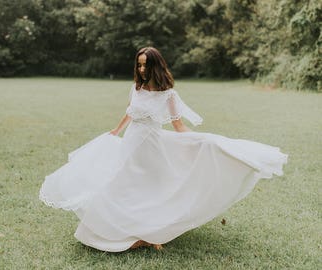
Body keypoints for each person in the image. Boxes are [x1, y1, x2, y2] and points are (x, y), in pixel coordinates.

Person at [39, 47, 287, 252]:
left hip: (153, 147)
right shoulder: (135, 88)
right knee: (123, 185)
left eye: (145, 65)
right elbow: (129, 113)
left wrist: (202, 141)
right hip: (131, 144)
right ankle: (117, 232)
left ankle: (151, 232)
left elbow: (179, 126)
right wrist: (115, 132)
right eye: (139, 65)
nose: (141, 69)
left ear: (156, 65)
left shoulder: (168, 94)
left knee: (152, 188)